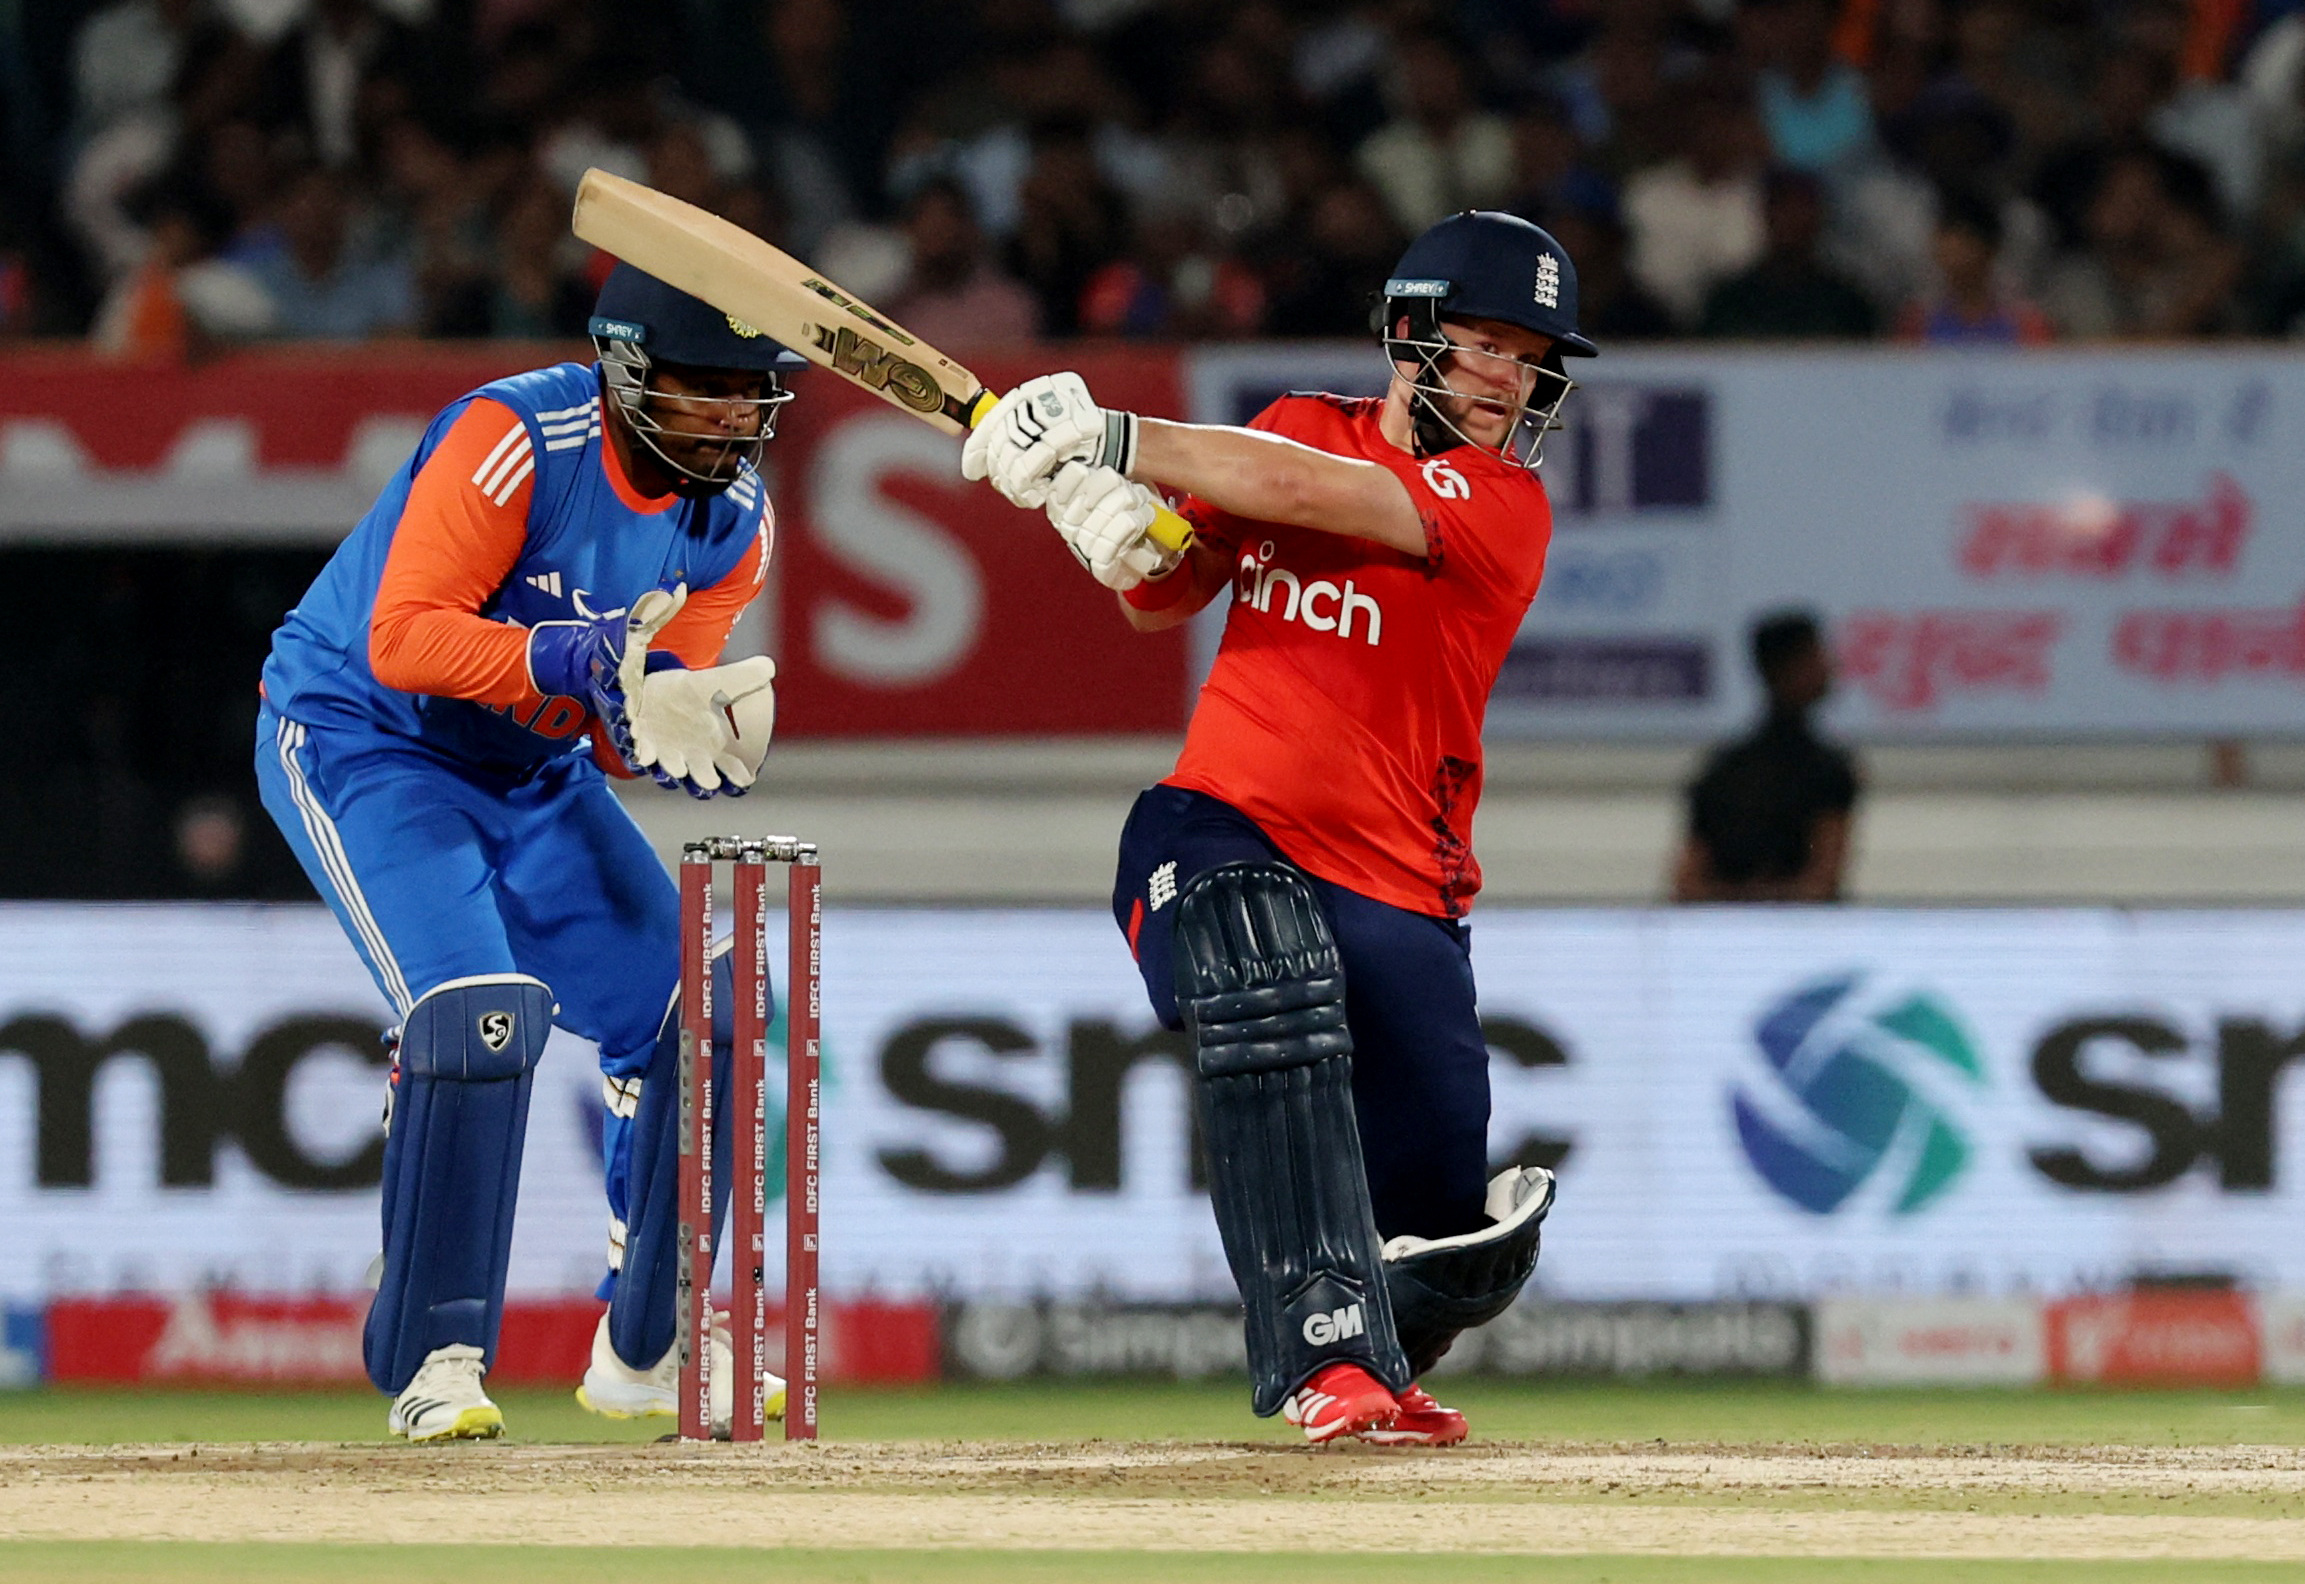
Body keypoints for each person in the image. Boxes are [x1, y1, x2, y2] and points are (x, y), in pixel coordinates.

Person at [962, 209, 1583, 1446]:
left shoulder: (1502, 502)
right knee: (1264, 958)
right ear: (1408, 337)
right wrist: (1115, 524)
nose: (1512, 379)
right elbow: (1175, 589)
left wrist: (1119, 436)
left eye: (1530, 356)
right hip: (1218, 827)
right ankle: (1319, 1357)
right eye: (1486, 346)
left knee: (1452, 1238)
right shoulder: (1296, 423)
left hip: (1402, 883)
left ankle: (1375, 1356)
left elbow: (1317, 496)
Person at [253, 264, 794, 1441]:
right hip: (367, 742)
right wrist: (573, 656)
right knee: (476, 1014)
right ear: (628, 370)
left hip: (532, 774)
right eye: (707, 390)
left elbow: (615, 728)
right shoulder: (517, 436)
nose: (734, 419)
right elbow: (402, 639)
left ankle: (646, 1349)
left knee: (711, 1011)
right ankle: (436, 1355)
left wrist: (668, 732)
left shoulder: (734, 522)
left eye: (752, 394)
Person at [1672, 610, 1859, 904]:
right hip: (1802, 936)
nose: (1829, 666)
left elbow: (1688, 885)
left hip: (1720, 933)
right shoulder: (1826, 771)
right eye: (1817, 656)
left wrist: (1735, 899)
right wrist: (1770, 900)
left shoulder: (1723, 768)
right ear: (1790, 668)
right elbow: (1822, 886)